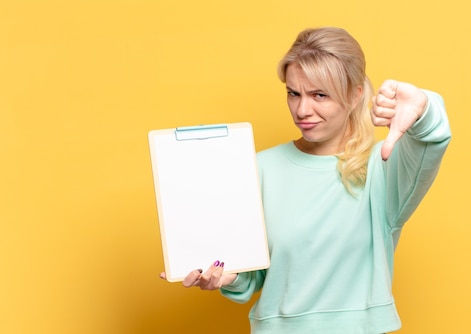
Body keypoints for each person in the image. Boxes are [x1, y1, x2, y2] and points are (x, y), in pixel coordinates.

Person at [160, 26, 451, 333]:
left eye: (319, 95)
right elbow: (254, 276)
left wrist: (424, 107)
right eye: (293, 93)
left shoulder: (383, 169)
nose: (302, 110)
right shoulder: (259, 168)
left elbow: (431, 141)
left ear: (354, 95)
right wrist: (226, 276)